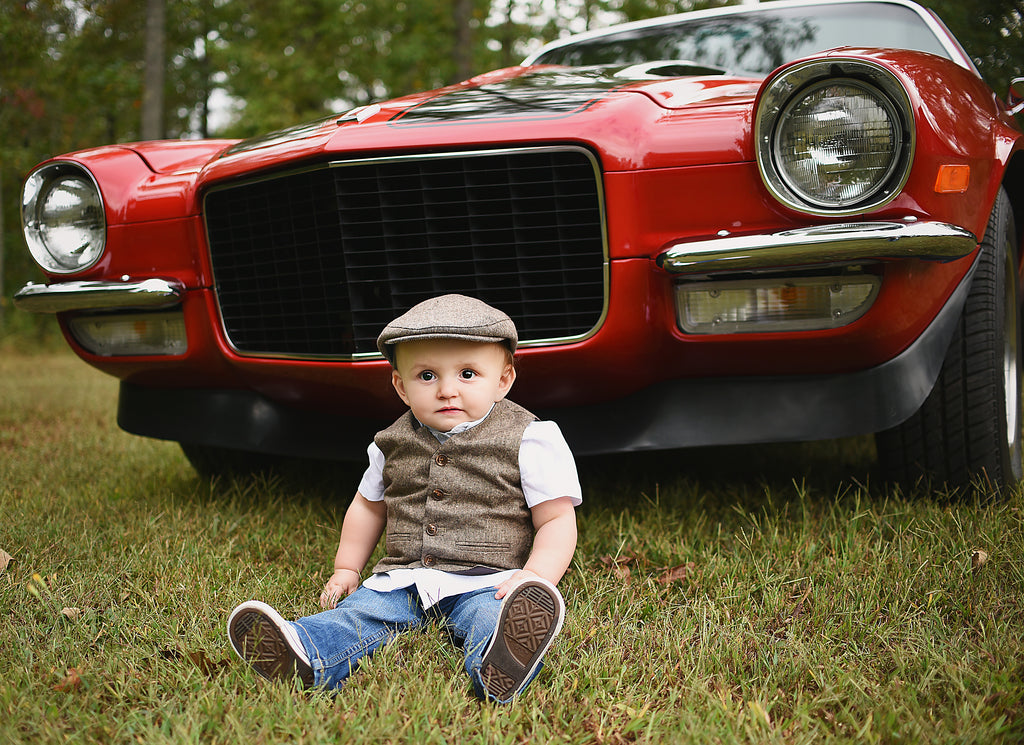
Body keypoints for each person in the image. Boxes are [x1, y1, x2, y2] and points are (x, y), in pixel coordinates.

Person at [227, 294, 582, 703]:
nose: (448, 390)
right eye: (427, 376)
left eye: (468, 373)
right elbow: (367, 506)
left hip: (489, 579)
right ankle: (307, 651)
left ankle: (499, 662)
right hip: (405, 578)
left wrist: (535, 575)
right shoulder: (390, 443)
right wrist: (347, 568)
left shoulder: (531, 438)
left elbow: (556, 518)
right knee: (358, 615)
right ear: (401, 385)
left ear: (503, 380)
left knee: (491, 618)